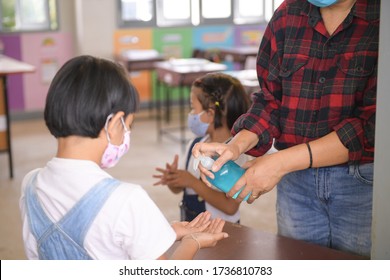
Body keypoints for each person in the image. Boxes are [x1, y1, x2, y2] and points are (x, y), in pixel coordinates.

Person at [193, 0, 379, 257]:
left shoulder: (380, 19)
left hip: (361, 184)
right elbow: (271, 100)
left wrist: (279, 163)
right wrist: (236, 145)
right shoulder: (288, 14)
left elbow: (373, 126)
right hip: (296, 185)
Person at [19, 55, 228, 260]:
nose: (128, 133)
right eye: (129, 125)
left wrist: (164, 232)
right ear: (115, 122)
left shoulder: (30, 184)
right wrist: (193, 242)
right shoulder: (127, 199)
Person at [153, 72, 251, 223]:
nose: (190, 114)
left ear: (210, 113)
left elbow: (230, 207)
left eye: (193, 108)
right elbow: (184, 187)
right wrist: (175, 180)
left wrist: (191, 181)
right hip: (193, 231)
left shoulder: (235, 154)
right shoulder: (196, 145)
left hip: (222, 233)